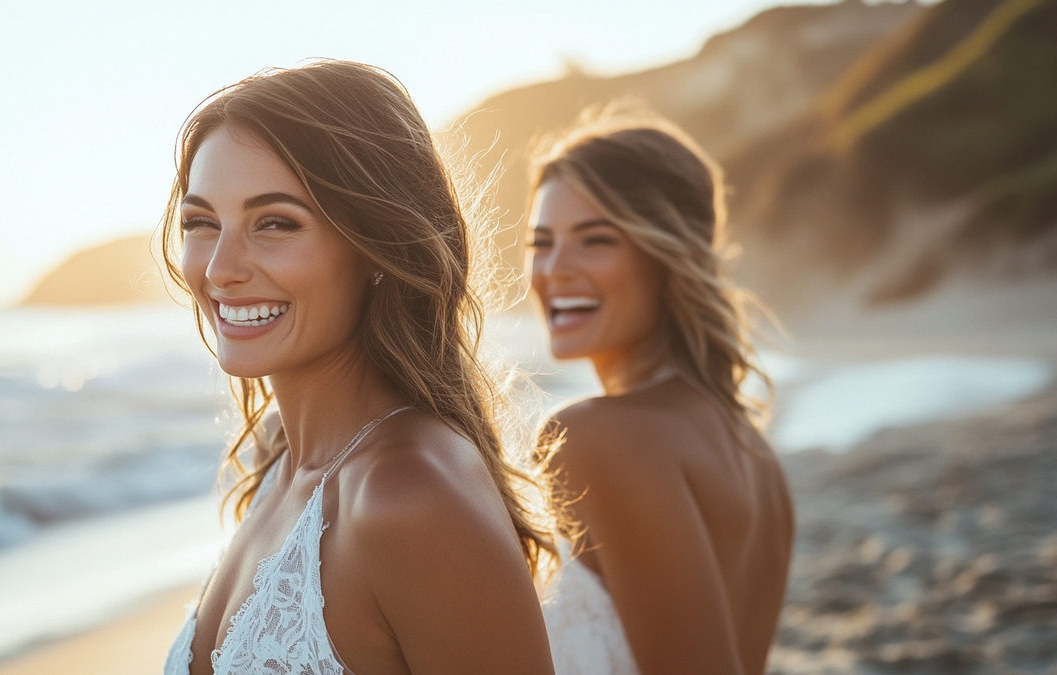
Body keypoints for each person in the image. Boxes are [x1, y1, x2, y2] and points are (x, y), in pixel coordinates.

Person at [160, 60, 558, 675]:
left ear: (378, 246)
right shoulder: (280, 460)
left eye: (274, 224)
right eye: (201, 223)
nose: (219, 269)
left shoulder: (408, 494)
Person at [526, 111, 795, 675]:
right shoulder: (757, 457)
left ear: (665, 253)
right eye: (541, 243)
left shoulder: (594, 438)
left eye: (595, 241)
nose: (555, 270)